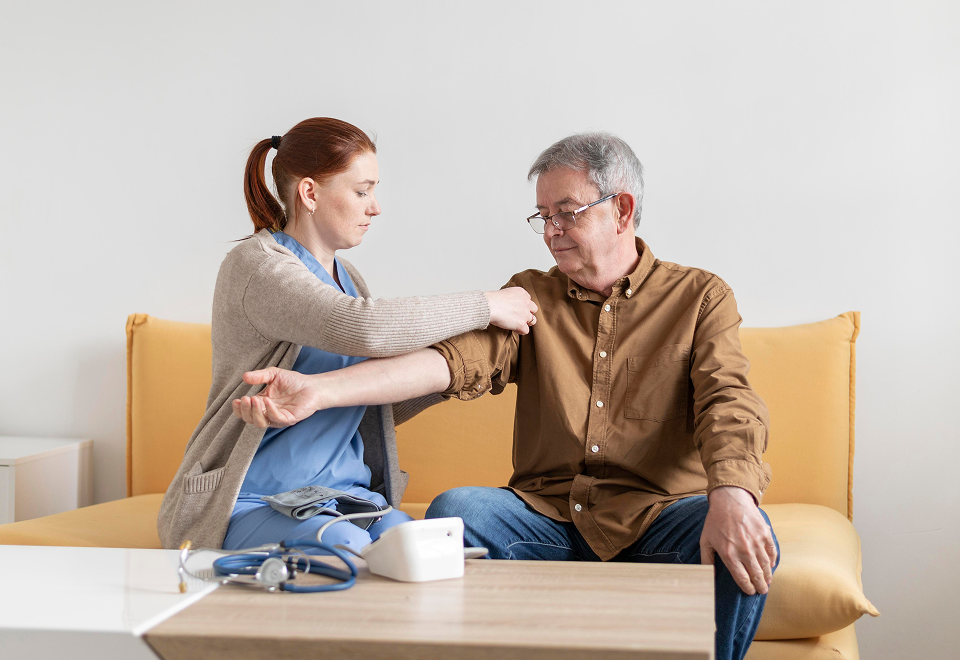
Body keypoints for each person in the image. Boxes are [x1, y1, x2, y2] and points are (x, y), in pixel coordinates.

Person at [232, 132, 778, 660]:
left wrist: (733, 492)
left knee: (746, 527)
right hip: (549, 520)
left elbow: (727, 400)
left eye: (568, 213)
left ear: (623, 209)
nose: (552, 231)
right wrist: (320, 391)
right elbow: (449, 364)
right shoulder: (532, 294)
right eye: (543, 217)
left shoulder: (700, 296)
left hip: (657, 516)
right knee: (458, 512)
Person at [157, 117, 537, 553]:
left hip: (346, 498)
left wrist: (453, 372)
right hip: (252, 499)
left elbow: (364, 405)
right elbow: (365, 327)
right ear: (310, 193)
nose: (375, 206)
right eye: (362, 191)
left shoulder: (348, 277)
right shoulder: (257, 266)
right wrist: (486, 305)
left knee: (423, 552)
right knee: (346, 549)